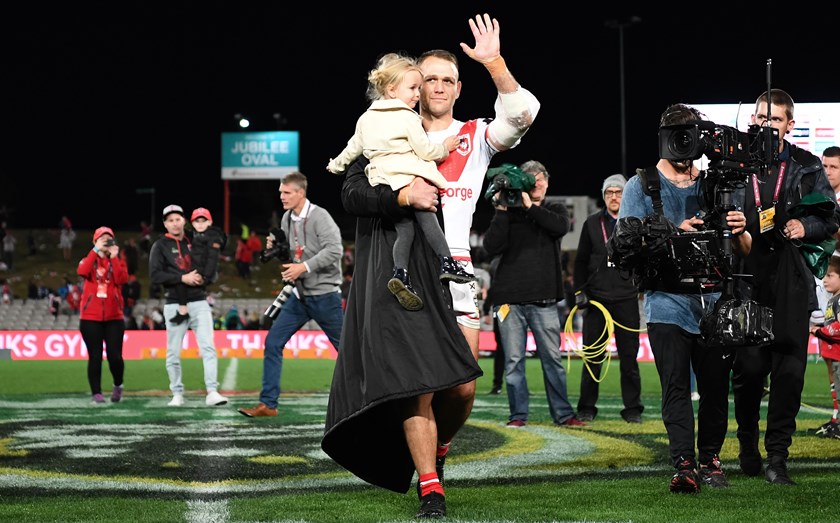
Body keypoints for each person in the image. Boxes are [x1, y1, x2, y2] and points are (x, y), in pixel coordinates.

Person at [322, 13, 540, 519]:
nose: (437, 86)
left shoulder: (476, 135)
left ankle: (438, 451)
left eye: (447, 79)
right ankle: (429, 484)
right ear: (416, 87)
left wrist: (494, 62)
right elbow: (351, 191)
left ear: (459, 88)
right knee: (418, 387)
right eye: (429, 79)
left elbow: (524, 114)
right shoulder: (385, 125)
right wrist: (400, 194)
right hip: (406, 275)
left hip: (456, 269)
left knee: (462, 385)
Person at [619, 103, 753, 493]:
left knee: (714, 388)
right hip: (666, 300)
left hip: (714, 301)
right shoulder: (640, 185)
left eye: (691, 133)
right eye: (678, 133)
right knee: (675, 386)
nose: (684, 142)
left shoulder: (717, 184)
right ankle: (684, 463)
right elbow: (624, 246)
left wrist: (741, 228)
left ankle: (711, 459)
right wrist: (673, 232)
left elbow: (743, 248)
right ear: (663, 136)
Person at [731, 90, 840, 485]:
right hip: (746, 281)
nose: (766, 124)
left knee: (789, 373)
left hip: (791, 281)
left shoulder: (807, 166)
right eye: (761, 117)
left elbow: (829, 219)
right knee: (748, 370)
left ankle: (777, 456)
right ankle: (747, 443)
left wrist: (804, 226)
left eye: (775, 119)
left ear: (790, 125)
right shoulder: (737, 165)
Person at [327, 52, 473, 311]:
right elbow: (426, 150)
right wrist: (445, 147)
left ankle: (400, 273)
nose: (418, 94)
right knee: (428, 220)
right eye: (414, 88)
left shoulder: (365, 119)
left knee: (404, 230)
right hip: (409, 178)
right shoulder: (408, 117)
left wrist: (335, 165)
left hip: (384, 183)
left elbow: (351, 151)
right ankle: (447, 263)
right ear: (392, 89)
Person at [482, 160, 581, 428]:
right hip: (509, 300)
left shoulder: (554, 209)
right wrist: (502, 210)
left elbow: (559, 227)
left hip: (544, 299)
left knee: (552, 360)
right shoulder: (509, 213)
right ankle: (517, 416)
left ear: (547, 182)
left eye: (540, 179)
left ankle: (563, 414)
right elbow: (490, 246)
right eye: (530, 179)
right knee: (513, 362)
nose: (536, 183)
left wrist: (528, 206)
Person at [238, 172, 344, 418]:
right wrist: (275, 247)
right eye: (280, 192)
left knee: (346, 351)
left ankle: (368, 398)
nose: (282, 197)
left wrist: (303, 267)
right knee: (273, 342)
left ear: (300, 193)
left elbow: (335, 250)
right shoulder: (287, 218)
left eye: (286, 193)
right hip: (299, 296)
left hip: (325, 296)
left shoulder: (320, 217)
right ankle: (268, 405)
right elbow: (292, 252)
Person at [573, 174, 644, 423]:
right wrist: (579, 291)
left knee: (629, 359)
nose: (614, 196)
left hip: (626, 298)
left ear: (626, 195)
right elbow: (580, 261)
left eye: (619, 192)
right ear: (603, 196)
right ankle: (586, 407)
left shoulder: (635, 223)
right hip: (596, 301)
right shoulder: (592, 223)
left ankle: (633, 409)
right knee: (592, 357)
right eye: (609, 192)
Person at [149, 204, 228, 407]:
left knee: (208, 348)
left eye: (178, 219)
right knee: (173, 352)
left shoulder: (196, 239)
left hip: (199, 299)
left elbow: (215, 253)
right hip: (174, 302)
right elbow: (155, 275)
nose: (175, 223)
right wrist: (182, 277)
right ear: (165, 224)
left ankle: (212, 391)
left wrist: (209, 275)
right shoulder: (160, 245)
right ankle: (177, 393)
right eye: (170, 220)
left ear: (184, 221)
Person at [77, 226, 129, 403]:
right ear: (95, 241)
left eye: (109, 239)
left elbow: (122, 279)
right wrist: (95, 250)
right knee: (95, 356)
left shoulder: (118, 262)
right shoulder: (88, 260)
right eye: (102, 239)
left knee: (115, 356)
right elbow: (82, 272)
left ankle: (118, 384)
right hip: (90, 318)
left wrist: (114, 257)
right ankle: (96, 393)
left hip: (114, 318)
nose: (106, 242)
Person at [171, 207, 226, 325]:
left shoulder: (213, 237)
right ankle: (184, 312)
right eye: (197, 221)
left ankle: (185, 313)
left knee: (182, 282)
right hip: (193, 270)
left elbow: (212, 260)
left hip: (202, 273)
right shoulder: (193, 236)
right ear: (192, 223)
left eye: (203, 221)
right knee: (178, 279)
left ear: (209, 222)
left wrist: (205, 277)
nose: (200, 224)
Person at [808, 255, 840, 439]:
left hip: (834, 342)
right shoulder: (831, 298)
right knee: (834, 379)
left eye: (830, 276)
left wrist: (820, 331)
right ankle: (836, 419)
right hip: (830, 345)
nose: (825, 279)